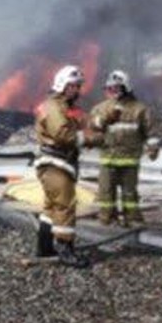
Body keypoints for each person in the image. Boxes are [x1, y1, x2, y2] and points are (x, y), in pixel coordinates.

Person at [34, 64, 100, 268]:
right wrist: (92, 140)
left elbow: (81, 121)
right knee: (65, 205)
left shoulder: (63, 107)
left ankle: (44, 248)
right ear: (62, 85)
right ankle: (65, 251)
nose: (78, 90)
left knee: (51, 208)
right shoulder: (53, 107)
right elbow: (63, 135)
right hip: (55, 163)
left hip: (59, 163)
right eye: (74, 86)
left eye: (79, 86)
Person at [89, 70, 158, 227]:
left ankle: (132, 219)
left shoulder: (140, 109)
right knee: (106, 193)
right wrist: (106, 118)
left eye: (116, 88)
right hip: (108, 159)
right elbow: (92, 126)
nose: (111, 91)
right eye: (109, 88)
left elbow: (151, 131)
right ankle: (107, 219)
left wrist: (153, 148)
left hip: (129, 160)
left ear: (126, 88)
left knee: (130, 193)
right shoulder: (101, 108)